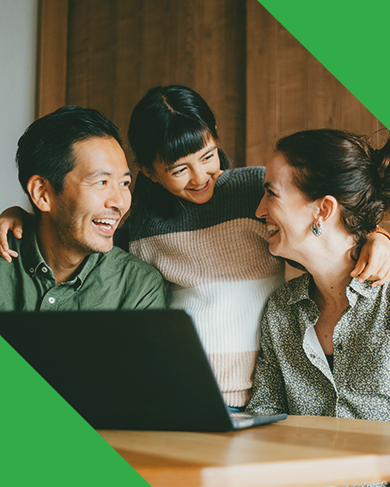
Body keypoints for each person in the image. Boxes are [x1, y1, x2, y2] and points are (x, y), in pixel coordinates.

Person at [1, 89, 390, 408]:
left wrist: (380, 234)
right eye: (178, 169)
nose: (201, 176)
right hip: (186, 401)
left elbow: (340, 199)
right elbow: (84, 240)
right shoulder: (140, 230)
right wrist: (25, 218)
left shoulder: (250, 191)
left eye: (208, 157)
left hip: (246, 395)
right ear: (151, 173)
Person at [246, 128, 390, 424]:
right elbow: (264, 416)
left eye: (271, 193)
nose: (259, 210)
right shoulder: (281, 311)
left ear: (323, 209)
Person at [0, 105, 165, 312]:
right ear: (42, 193)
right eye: (102, 182)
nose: (120, 202)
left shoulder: (137, 289)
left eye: (124, 184)